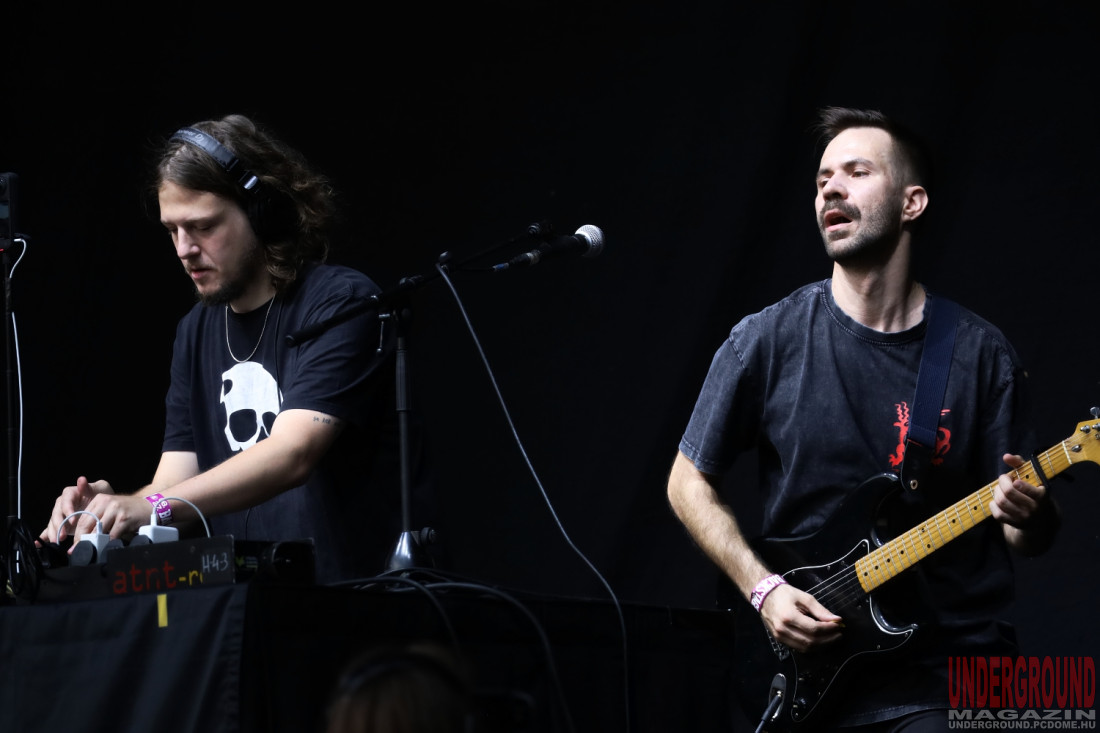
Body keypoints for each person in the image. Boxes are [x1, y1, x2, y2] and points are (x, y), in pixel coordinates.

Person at [666, 107, 1061, 730]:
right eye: (823, 178)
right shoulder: (766, 340)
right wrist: (763, 589)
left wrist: (1030, 514)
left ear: (911, 203)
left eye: (857, 172)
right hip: (813, 668)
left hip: (949, 669)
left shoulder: (981, 355)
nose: (831, 189)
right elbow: (686, 481)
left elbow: (1024, 537)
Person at [41, 114, 403, 583]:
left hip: (353, 599)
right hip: (251, 605)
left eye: (202, 226)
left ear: (263, 213)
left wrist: (150, 505)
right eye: (172, 230)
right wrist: (111, 510)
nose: (183, 249)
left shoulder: (340, 303)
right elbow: (175, 485)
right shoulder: (194, 331)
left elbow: (292, 453)